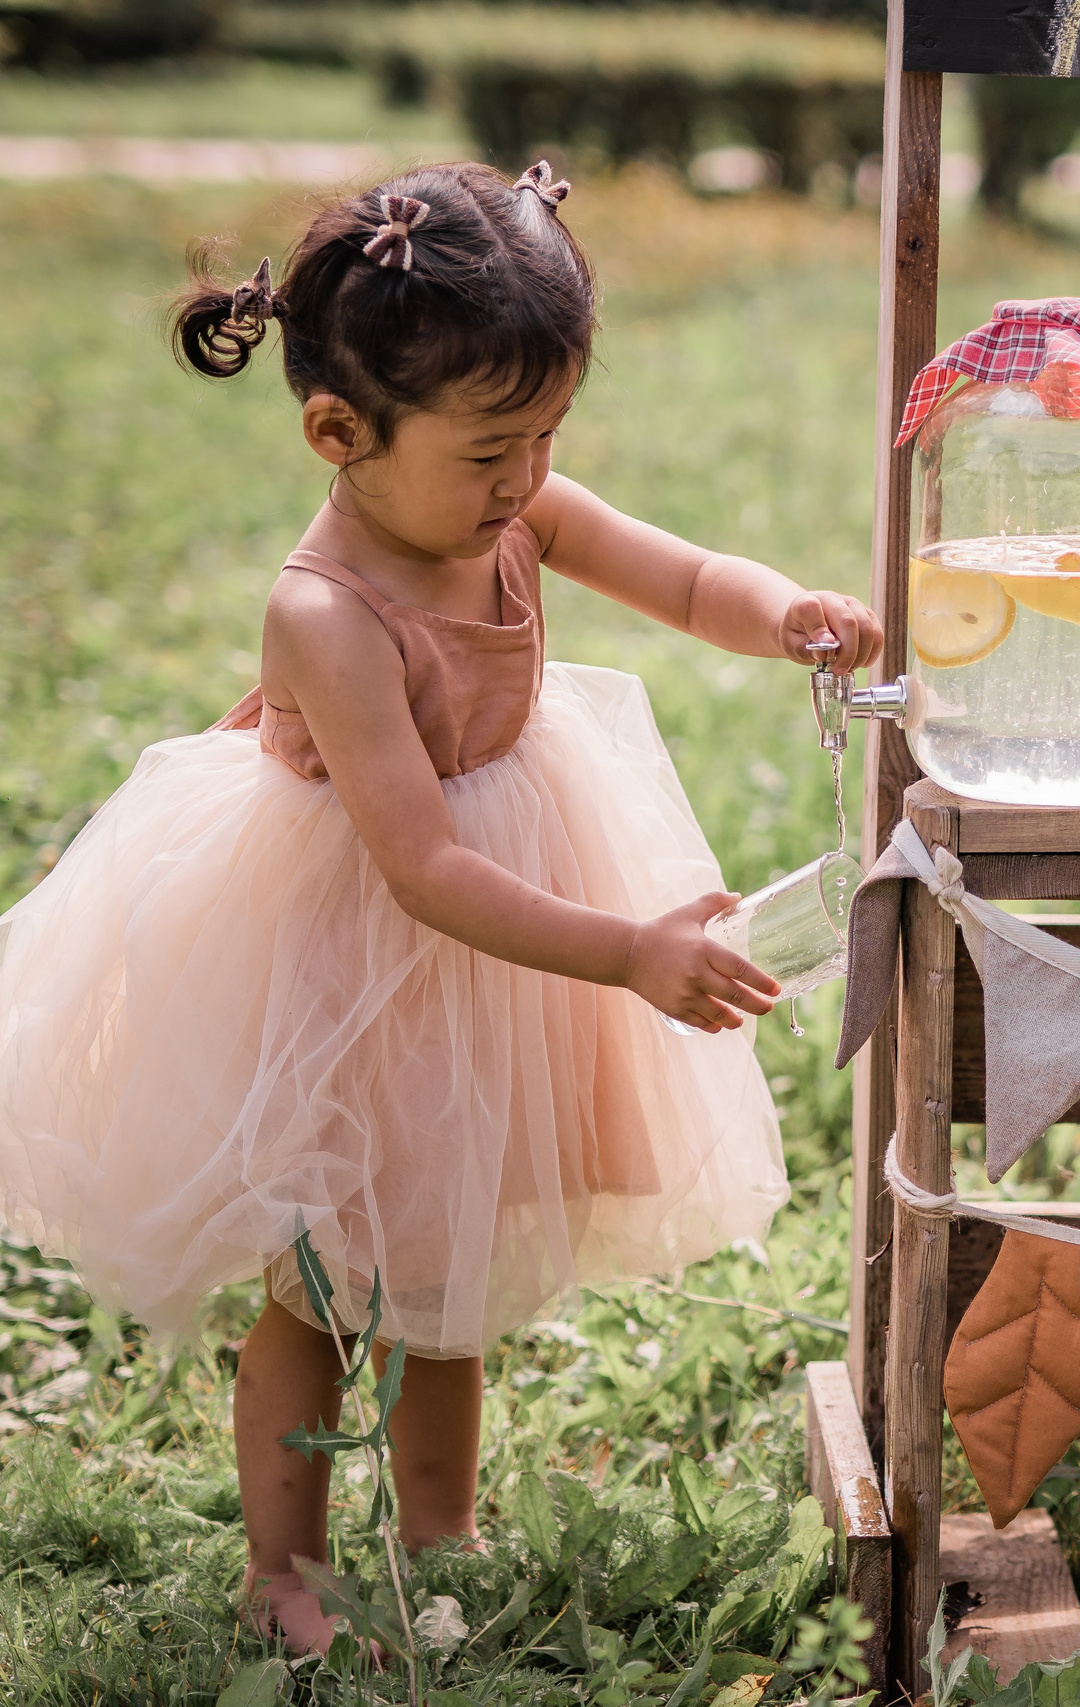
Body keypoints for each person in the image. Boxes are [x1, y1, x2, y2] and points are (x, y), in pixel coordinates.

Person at [0, 160, 882, 1653]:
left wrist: (782, 609)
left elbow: (679, 577)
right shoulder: (328, 614)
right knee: (318, 1285)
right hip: (342, 947)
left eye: (546, 439)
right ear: (340, 434)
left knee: (442, 1262)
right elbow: (424, 872)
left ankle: (439, 1531)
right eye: (491, 452)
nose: (525, 481)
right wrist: (631, 952)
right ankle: (283, 1564)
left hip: (483, 941)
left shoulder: (513, 504)